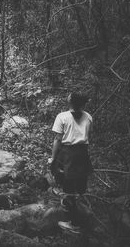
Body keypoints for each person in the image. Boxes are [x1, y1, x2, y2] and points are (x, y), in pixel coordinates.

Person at [49, 92, 93, 234]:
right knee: (81, 188)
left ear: (71, 102)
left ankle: (74, 223)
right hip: (83, 153)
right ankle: (85, 216)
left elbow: (57, 139)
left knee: (68, 190)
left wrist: (53, 158)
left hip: (68, 154)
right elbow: (87, 136)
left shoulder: (62, 117)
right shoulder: (88, 117)